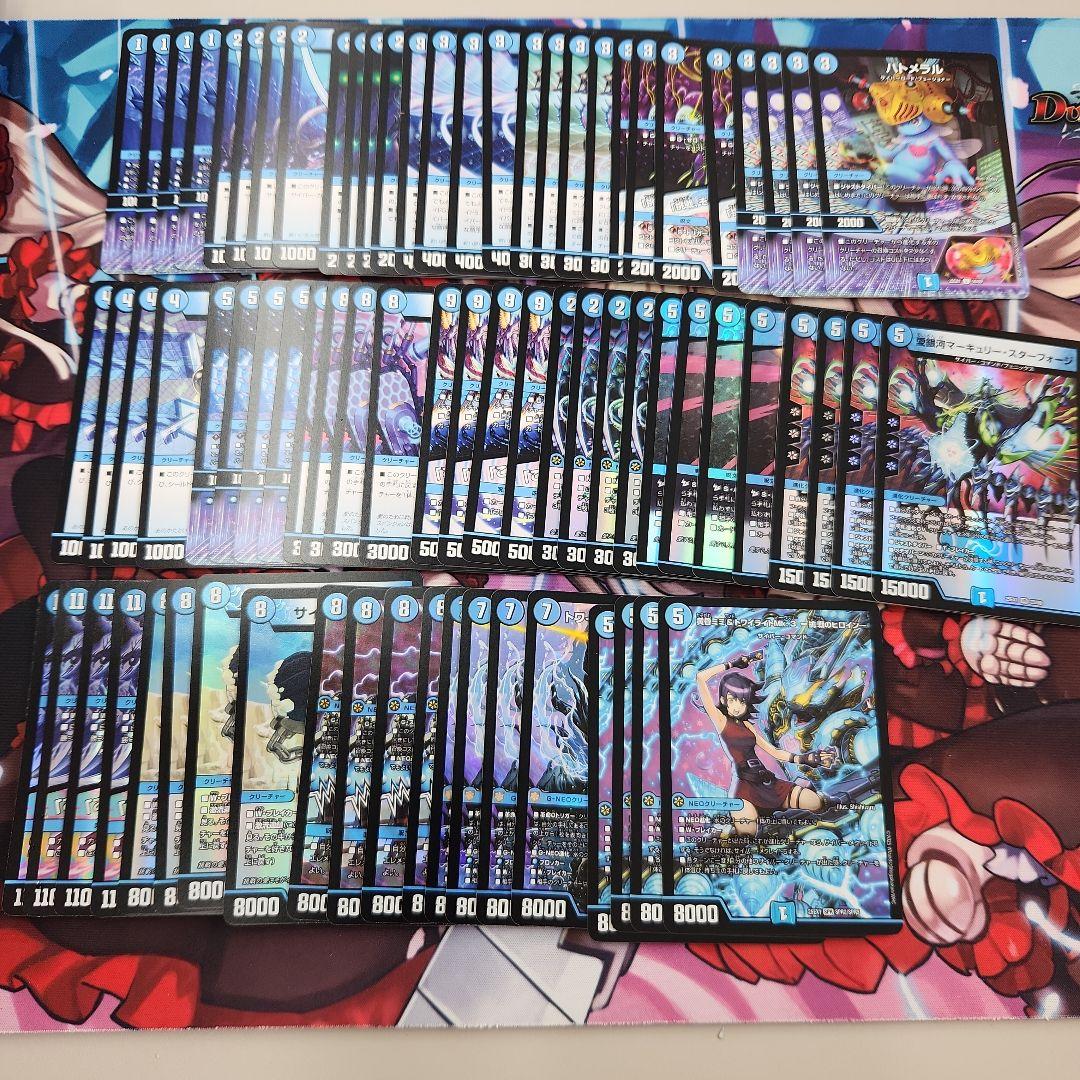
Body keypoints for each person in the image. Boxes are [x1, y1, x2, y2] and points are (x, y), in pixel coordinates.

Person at [695, 664, 837, 836]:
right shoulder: (721, 721)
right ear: (724, 701)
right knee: (747, 836)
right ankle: (723, 831)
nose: (737, 706)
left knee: (816, 803)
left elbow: (773, 751)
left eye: (742, 701)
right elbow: (701, 677)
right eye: (732, 700)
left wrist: (804, 758)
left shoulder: (747, 725)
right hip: (744, 790)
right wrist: (731, 664)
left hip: (768, 783)